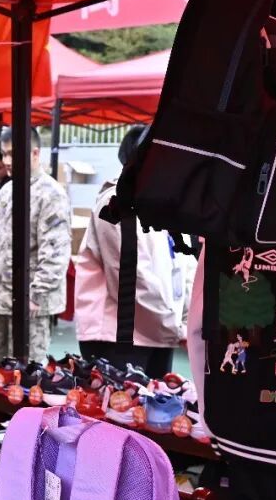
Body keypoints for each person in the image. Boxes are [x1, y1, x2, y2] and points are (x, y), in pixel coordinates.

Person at [75, 126, 193, 378]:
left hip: (158, 331)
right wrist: (175, 326)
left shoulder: (163, 204)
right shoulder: (117, 204)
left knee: (158, 402)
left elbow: (182, 268)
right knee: (121, 403)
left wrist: (183, 322)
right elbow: (130, 281)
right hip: (120, 337)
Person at [0, 128, 71, 384]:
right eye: (5, 154)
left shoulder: (51, 193)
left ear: (35, 153)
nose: (7, 161)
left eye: (13, 154)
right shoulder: (7, 191)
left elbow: (56, 251)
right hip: (1, 297)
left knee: (26, 373)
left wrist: (37, 294)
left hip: (31, 303)